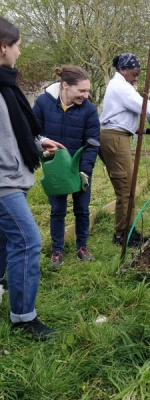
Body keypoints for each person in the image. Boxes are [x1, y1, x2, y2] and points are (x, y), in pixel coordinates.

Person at [0, 16, 65, 340]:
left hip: (13, 176)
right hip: (3, 184)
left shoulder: (6, 86)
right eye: (18, 46)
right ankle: (24, 319)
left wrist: (39, 143)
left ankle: (2, 289)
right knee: (27, 241)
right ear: (3, 47)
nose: (20, 53)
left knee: (4, 240)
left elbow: (14, 131)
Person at [99, 53, 150, 247]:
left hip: (117, 136)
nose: (136, 79)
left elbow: (120, 118)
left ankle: (127, 230)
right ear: (123, 70)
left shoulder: (120, 86)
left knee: (127, 188)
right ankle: (122, 235)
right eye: (134, 74)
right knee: (126, 189)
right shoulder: (121, 87)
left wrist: (146, 131)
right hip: (115, 139)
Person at [33, 66, 100, 267]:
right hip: (55, 168)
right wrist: (43, 152)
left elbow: (92, 142)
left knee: (82, 209)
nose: (85, 95)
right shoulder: (44, 103)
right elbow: (33, 132)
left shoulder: (88, 109)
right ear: (65, 86)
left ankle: (82, 247)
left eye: (87, 91)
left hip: (79, 167)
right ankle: (57, 251)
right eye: (81, 90)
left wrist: (85, 171)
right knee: (57, 210)